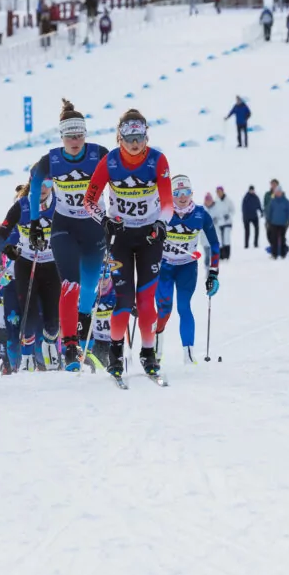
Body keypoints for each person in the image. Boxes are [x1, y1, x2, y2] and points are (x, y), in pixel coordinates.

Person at [83, 109, 173, 379]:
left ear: (147, 137)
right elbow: (89, 200)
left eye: (140, 137)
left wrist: (161, 223)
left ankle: (148, 352)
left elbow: (167, 203)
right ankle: (115, 353)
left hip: (149, 237)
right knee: (123, 299)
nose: (135, 143)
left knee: (145, 302)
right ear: (119, 138)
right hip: (119, 236)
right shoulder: (110, 162)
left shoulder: (157, 160)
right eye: (129, 138)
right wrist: (104, 220)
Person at [26, 100, 110, 369]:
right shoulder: (50, 159)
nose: (75, 141)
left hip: (94, 227)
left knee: (89, 287)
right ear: (61, 136)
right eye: (69, 136)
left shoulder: (100, 154)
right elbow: (34, 185)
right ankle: (70, 346)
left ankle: (82, 331)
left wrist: (119, 217)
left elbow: (119, 181)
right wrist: (35, 222)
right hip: (64, 225)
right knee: (70, 283)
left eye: (79, 135)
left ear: (85, 134)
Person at [0, 179, 61, 371]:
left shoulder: (57, 205)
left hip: (46, 270)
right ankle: (17, 367)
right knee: (18, 330)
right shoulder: (18, 217)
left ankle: (48, 363)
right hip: (17, 278)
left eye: (47, 183)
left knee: (47, 325)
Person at [156, 176, 220, 365]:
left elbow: (215, 244)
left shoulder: (200, 214)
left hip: (187, 267)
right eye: (177, 193)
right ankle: (156, 351)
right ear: (171, 195)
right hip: (164, 268)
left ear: (192, 193)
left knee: (184, 306)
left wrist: (213, 273)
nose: (182, 197)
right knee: (164, 309)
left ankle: (189, 354)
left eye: (186, 192)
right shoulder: (162, 212)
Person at [265, 186, 289, 258]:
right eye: (276, 192)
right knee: (274, 239)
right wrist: (268, 220)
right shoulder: (272, 201)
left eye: (279, 192)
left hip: (283, 223)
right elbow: (269, 211)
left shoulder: (286, 202)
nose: (278, 193)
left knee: (282, 238)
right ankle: (274, 254)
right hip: (273, 223)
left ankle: (283, 254)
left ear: (281, 192)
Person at [210, 186, 234, 260]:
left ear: (223, 192)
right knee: (220, 239)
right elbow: (214, 211)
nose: (219, 193)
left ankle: (227, 255)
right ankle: (221, 255)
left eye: (220, 191)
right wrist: (214, 218)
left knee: (226, 239)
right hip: (219, 223)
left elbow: (233, 210)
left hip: (227, 223)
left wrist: (228, 215)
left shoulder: (228, 200)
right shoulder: (216, 201)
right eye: (217, 192)